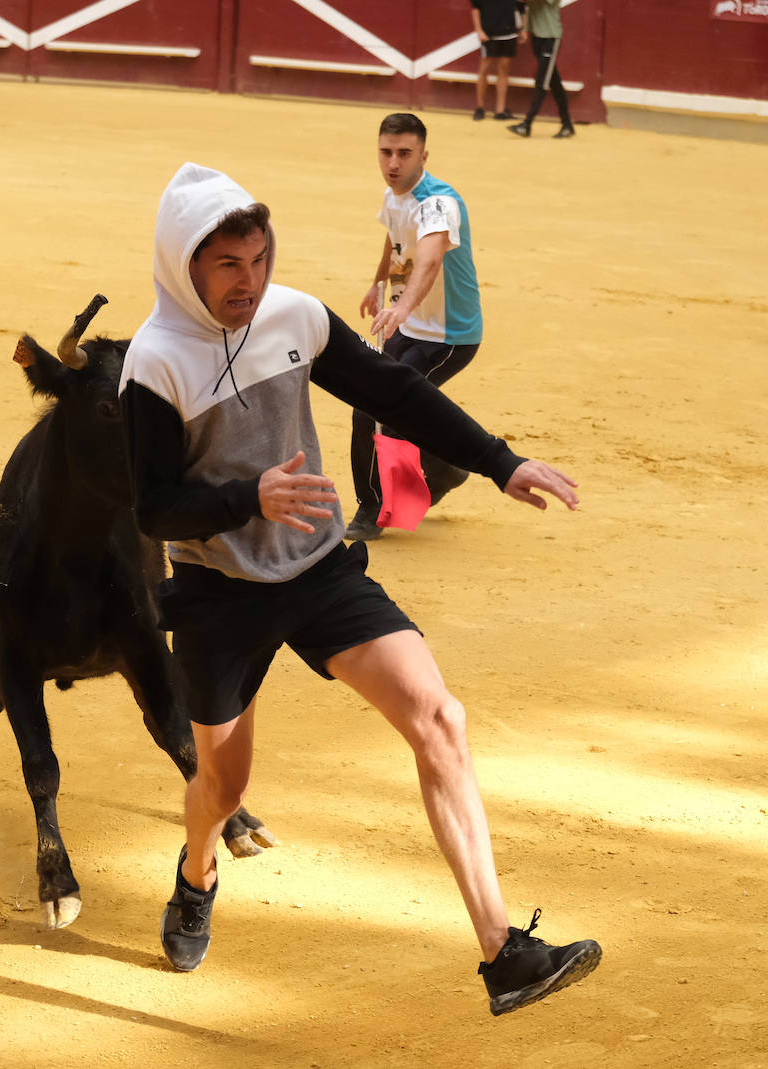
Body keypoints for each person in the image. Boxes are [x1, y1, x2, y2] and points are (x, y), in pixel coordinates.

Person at [119, 161, 602, 1016]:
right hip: (217, 593)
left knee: (439, 716)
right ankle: (196, 873)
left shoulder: (295, 316)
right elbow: (153, 507)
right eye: (228, 265)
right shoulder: (155, 366)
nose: (249, 281)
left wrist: (499, 461)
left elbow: (391, 389)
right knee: (223, 789)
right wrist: (245, 496)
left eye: (259, 258)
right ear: (183, 265)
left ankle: (503, 951)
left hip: (315, 565)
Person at [346, 112, 484, 542]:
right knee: (380, 406)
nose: (393, 163)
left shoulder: (439, 204)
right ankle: (443, 467)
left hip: (448, 336)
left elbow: (428, 259)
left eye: (404, 154)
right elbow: (395, 238)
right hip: (410, 325)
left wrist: (403, 307)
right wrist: (378, 281)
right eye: (386, 152)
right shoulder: (395, 195)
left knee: (380, 411)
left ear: (423, 156)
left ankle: (373, 508)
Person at [507, 0, 574, 139]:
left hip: (550, 37)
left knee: (542, 81)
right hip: (537, 37)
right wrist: (525, 28)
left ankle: (527, 124)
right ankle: (567, 125)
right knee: (554, 83)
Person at [471, 0, 524, 121]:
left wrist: (522, 28)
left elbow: (520, 5)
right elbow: (475, 8)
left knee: (504, 68)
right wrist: (479, 30)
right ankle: (480, 107)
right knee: (484, 68)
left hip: (509, 31)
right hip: (489, 32)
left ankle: (500, 110)